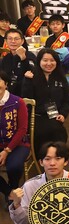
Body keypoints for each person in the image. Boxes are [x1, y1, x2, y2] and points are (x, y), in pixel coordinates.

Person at [21, 49, 69, 155]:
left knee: (59, 131)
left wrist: (63, 114)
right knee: (45, 131)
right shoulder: (32, 76)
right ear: (39, 61)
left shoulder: (60, 77)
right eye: (45, 60)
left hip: (54, 115)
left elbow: (67, 100)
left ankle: (58, 157)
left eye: (52, 60)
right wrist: (27, 81)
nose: (49, 63)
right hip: (36, 116)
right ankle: (43, 157)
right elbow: (26, 99)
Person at [0, 71, 30, 204]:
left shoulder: (18, 102)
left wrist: (7, 151)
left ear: (6, 84)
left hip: (18, 144)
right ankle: (10, 192)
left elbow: (22, 129)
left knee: (14, 166)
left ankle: (13, 185)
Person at [1, 29, 36, 95]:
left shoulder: (29, 55)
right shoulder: (5, 58)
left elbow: (32, 73)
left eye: (16, 39)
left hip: (25, 92)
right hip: (8, 93)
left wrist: (23, 58)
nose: (13, 41)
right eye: (10, 39)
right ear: (5, 41)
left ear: (22, 41)